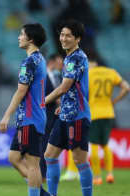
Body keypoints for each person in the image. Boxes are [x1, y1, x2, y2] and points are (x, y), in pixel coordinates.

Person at [0, 23, 49, 196]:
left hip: (30, 118)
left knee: (32, 163)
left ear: (31, 39)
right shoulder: (39, 59)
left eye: (21, 34)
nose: (19, 37)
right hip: (30, 118)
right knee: (13, 157)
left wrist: (6, 116)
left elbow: (21, 91)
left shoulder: (29, 62)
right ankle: (41, 193)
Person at [44, 20, 92, 196]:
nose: (63, 38)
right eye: (62, 34)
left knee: (80, 161)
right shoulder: (69, 58)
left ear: (77, 38)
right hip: (65, 114)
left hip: (77, 116)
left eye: (68, 35)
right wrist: (63, 104)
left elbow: (64, 86)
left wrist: (44, 101)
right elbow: (73, 88)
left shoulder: (76, 57)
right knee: (49, 155)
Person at [88, 58, 129, 185]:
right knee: (105, 144)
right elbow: (126, 88)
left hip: (94, 113)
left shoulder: (89, 73)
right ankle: (110, 174)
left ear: (92, 63)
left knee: (94, 145)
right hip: (108, 112)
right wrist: (114, 101)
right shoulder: (111, 72)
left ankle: (97, 177)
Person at [39, 53, 63, 183]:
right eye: (60, 62)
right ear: (52, 62)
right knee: (44, 145)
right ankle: (42, 174)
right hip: (45, 115)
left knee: (52, 147)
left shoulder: (59, 77)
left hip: (57, 116)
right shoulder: (42, 76)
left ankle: (49, 174)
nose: (62, 65)